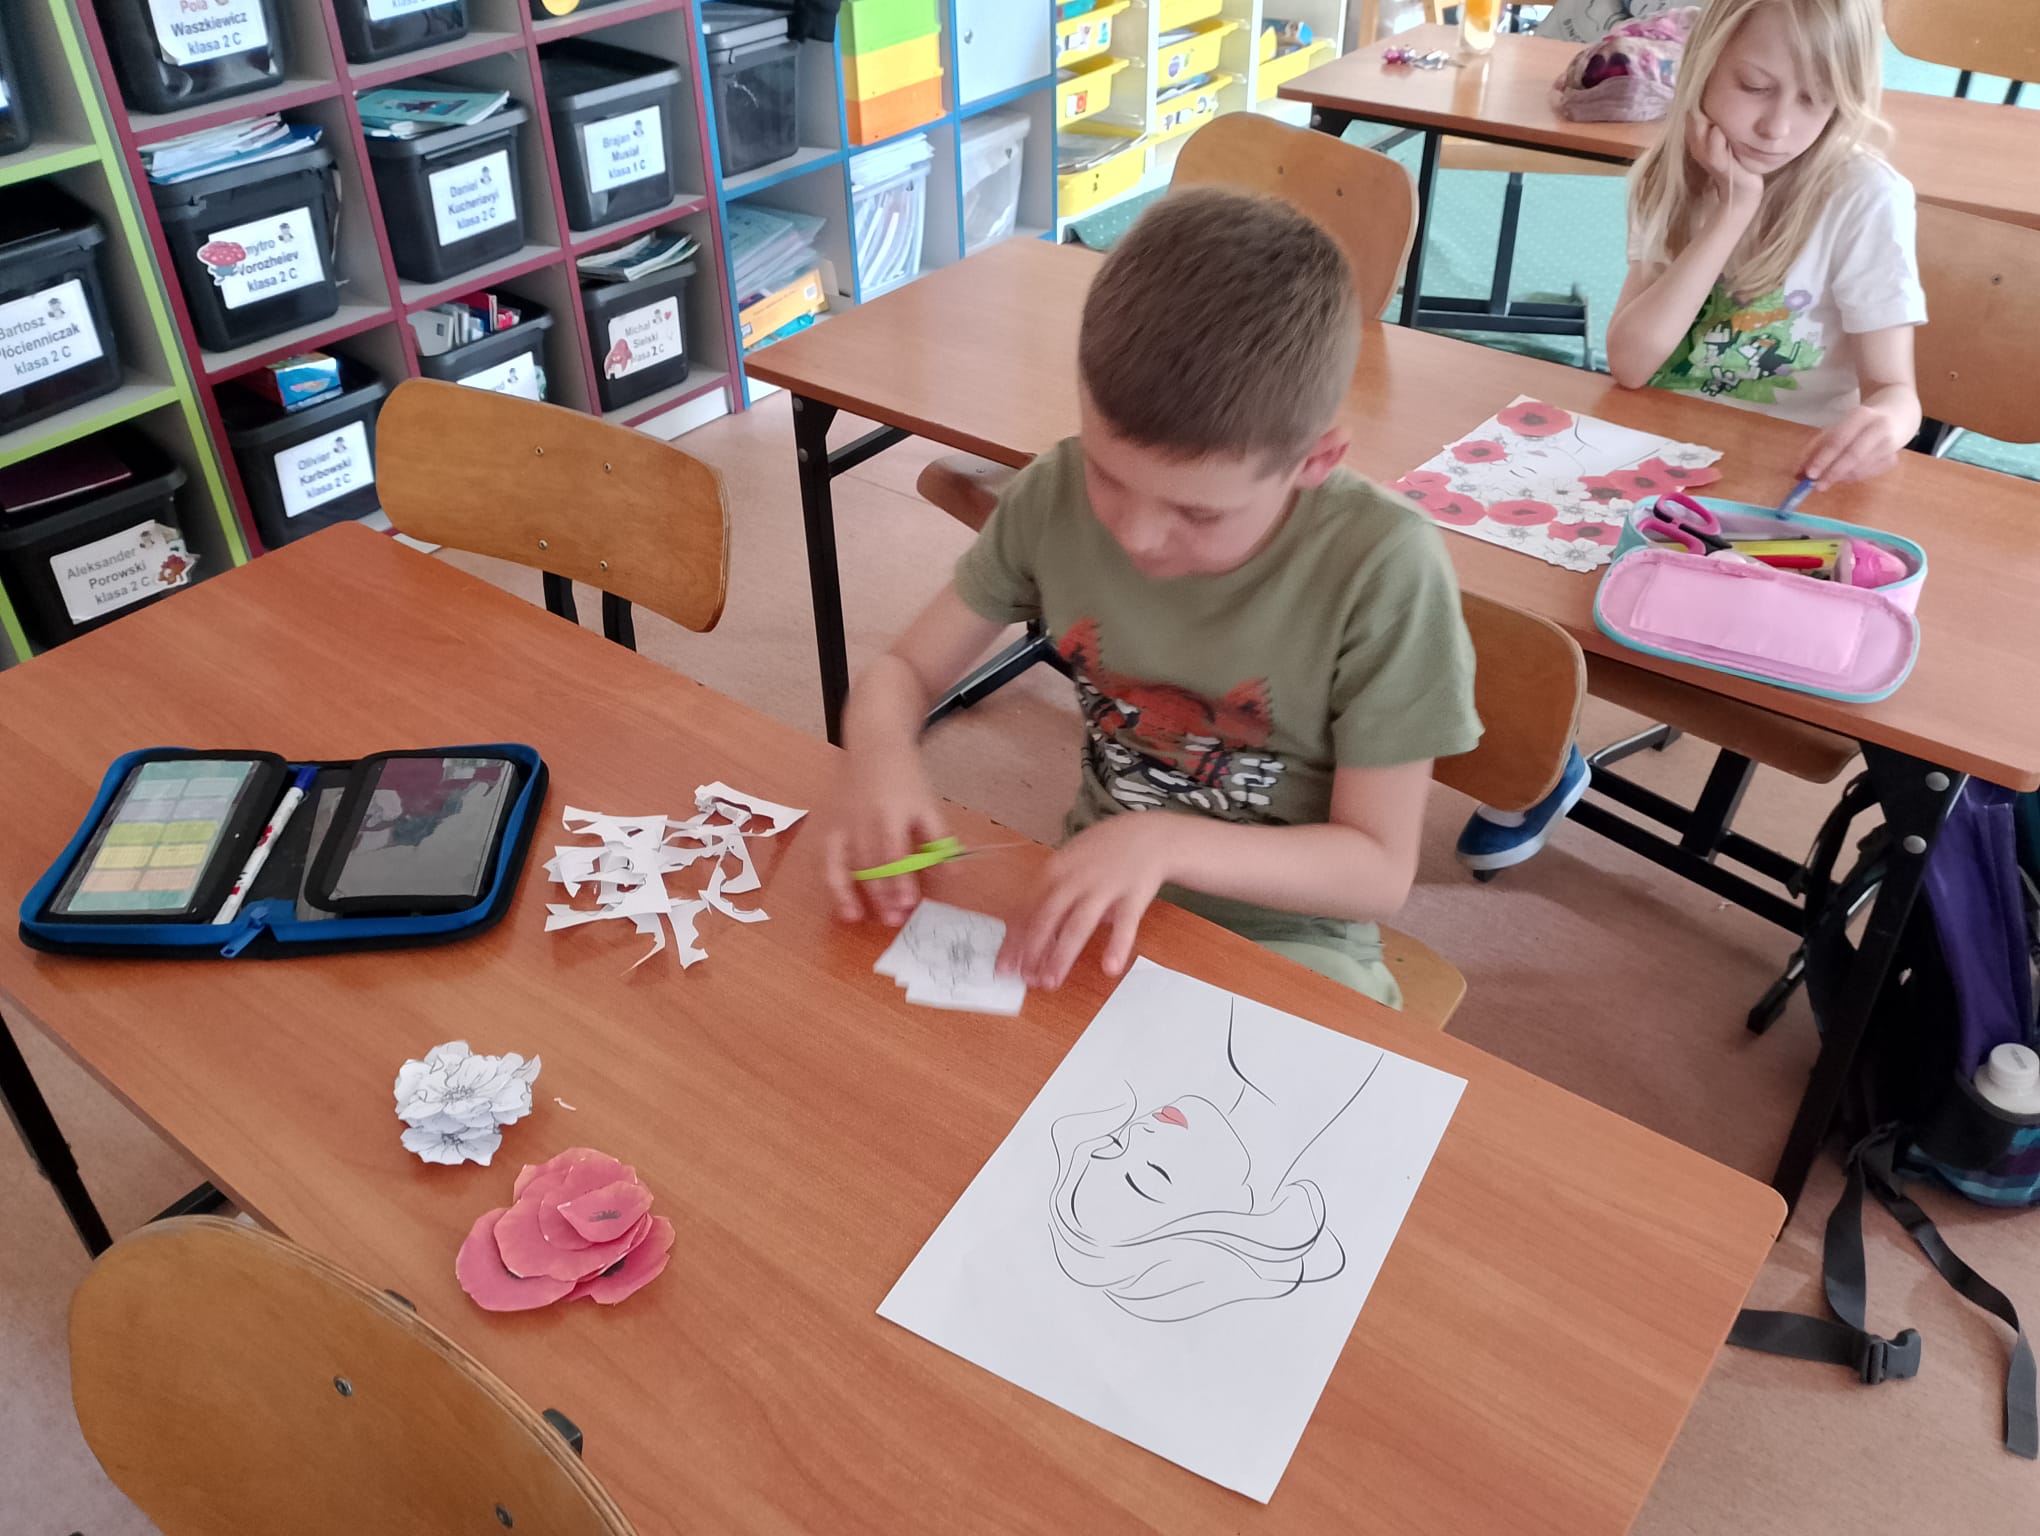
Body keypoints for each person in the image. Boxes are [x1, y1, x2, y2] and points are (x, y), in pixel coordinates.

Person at [824, 187, 1481, 1008]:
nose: (1136, 536)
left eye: (1198, 513)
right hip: (1088, 906)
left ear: (1316, 460)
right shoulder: (1053, 492)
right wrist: (880, 760)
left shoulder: (1383, 569)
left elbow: (1376, 870)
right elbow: (902, 671)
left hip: (1294, 941)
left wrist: (1163, 842)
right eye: (1107, 474)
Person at [1457, 0, 1923, 874]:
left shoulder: (1863, 197)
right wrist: (1731, 212)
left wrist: (1884, 423)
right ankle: (1543, 760)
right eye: (1754, 86)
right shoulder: (1672, 176)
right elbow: (1634, 363)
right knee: (1482, 579)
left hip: (1778, 499)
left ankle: (1542, 746)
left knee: (1686, 617)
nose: (1777, 125)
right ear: (1705, 67)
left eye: (1814, 100)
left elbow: (1898, 393)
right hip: (1653, 469)